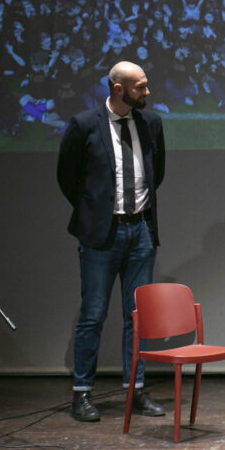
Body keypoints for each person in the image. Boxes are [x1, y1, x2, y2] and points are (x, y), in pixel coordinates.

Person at [56, 60, 166, 422]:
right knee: (93, 315)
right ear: (118, 89)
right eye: (141, 87)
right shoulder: (84, 125)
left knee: (138, 317)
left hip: (141, 233)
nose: (147, 93)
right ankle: (81, 393)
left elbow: (157, 173)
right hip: (102, 234)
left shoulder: (151, 123)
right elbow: (67, 177)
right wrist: (96, 212)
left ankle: (136, 391)